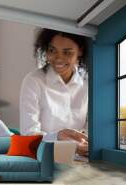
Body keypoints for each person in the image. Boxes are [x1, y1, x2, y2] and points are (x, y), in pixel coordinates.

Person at [20, 28, 89, 156]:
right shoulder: (34, 81)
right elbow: (28, 136)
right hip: (45, 159)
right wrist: (58, 137)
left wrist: (81, 144)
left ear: (80, 51)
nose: (59, 59)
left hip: (82, 160)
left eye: (67, 53)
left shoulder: (88, 85)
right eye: (52, 50)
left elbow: (91, 130)